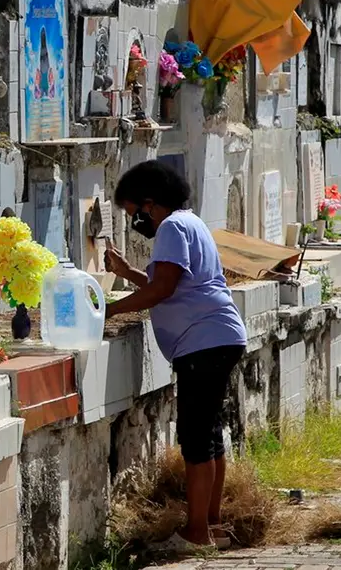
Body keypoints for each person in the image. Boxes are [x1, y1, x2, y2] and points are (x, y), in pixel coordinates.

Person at [104, 160, 247, 553]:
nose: (135, 221)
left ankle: (196, 533)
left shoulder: (169, 227)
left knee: (196, 440)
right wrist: (129, 272)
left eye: (134, 213)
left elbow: (163, 289)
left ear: (150, 204)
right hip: (218, 336)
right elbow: (175, 282)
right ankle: (212, 525)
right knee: (209, 436)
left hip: (202, 341)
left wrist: (109, 311)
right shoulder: (190, 223)